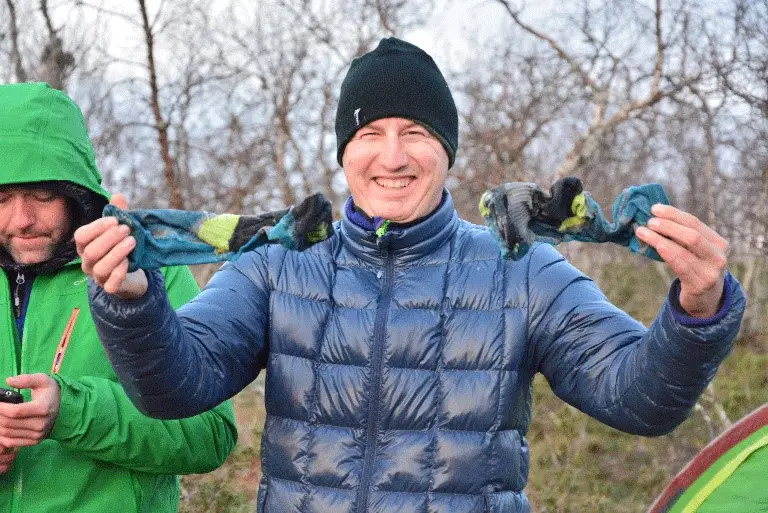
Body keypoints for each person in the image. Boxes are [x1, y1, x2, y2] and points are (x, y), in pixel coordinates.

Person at [76, 38, 745, 513]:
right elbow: (174, 385)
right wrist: (134, 300)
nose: (392, 155)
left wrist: (699, 305)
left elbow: (639, 398)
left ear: (446, 151)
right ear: (345, 152)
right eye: (370, 134)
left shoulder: (524, 270)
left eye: (416, 132)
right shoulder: (279, 264)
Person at [0, 81, 238, 513]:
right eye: (1, 198)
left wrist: (72, 413)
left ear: (76, 194)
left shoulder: (143, 274)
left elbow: (210, 435)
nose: (23, 220)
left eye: (43, 195)